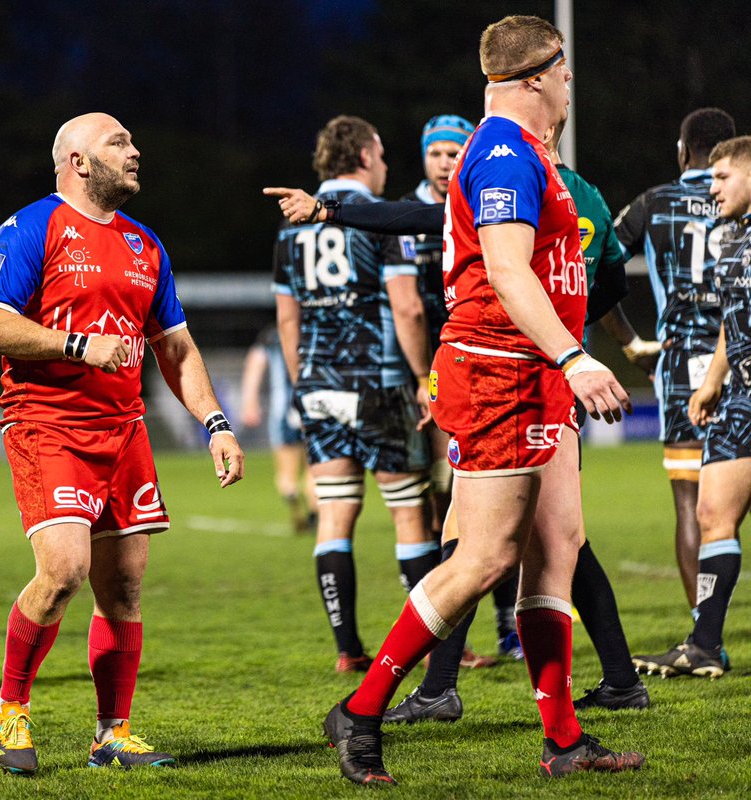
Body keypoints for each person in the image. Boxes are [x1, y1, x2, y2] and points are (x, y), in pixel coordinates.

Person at [314, 16, 644, 784]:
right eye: (563, 74)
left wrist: (565, 362)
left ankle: (562, 739)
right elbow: (505, 269)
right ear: (535, 76)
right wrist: (573, 354)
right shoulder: (501, 152)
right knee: (487, 555)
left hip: (541, 377)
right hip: (502, 372)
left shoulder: (534, 153)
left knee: (556, 551)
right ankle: (361, 712)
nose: (570, 85)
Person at [266, 116, 650, 718]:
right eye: (439, 152)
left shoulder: (527, 179)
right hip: (516, 376)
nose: (452, 161)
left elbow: (583, 278)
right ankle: (553, 708)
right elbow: (425, 220)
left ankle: (384, 702)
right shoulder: (539, 182)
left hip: (516, 377)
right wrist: (331, 212)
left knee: (508, 546)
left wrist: (565, 343)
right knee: (531, 541)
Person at [0, 112, 244, 774]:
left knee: (122, 590)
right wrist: (76, 345)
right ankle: (8, 709)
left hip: (123, 432)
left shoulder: (146, 245)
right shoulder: (29, 228)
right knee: (64, 570)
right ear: (78, 162)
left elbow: (174, 347)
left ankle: (111, 734)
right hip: (46, 420)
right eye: (118, 142)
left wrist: (216, 423)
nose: (136, 150)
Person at [273, 115, 439, 675]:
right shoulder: (378, 220)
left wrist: (303, 385)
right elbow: (408, 307)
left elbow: (287, 318)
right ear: (367, 155)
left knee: (335, 517)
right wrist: (422, 378)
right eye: (384, 154)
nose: (387, 165)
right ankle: (431, 650)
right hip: (380, 383)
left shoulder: (290, 228)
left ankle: (348, 650)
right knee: (410, 515)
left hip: (319, 388)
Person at [632, 136, 751, 678]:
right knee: (710, 511)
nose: (713, 187)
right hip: (738, 395)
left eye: (723, 177)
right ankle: (704, 646)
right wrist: (712, 384)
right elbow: (734, 321)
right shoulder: (731, 239)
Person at [614, 107, 737, 613]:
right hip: (740, 359)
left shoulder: (655, 203)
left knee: (690, 503)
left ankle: (703, 629)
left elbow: (595, 271)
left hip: (683, 364)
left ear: (683, 151)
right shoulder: (741, 195)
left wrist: (628, 341)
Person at [405, 114, 514, 666]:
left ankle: (499, 626)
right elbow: (406, 309)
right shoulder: (414, 217)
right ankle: (444, 647)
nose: (447, 162)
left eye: (456, 152)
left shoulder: (479, 203)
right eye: (437, 153)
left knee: (479, 507)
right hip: (435, 375)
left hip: (473, 369)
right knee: (440, 510)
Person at [239, 325, 315, 533]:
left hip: (283, 412)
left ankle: (290, 491)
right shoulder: (312, 332)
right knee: (314, 469)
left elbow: (253, 370)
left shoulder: (270, 340)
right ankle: (314, 512)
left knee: (286, 473)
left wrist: (250, 403)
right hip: (312, 406)